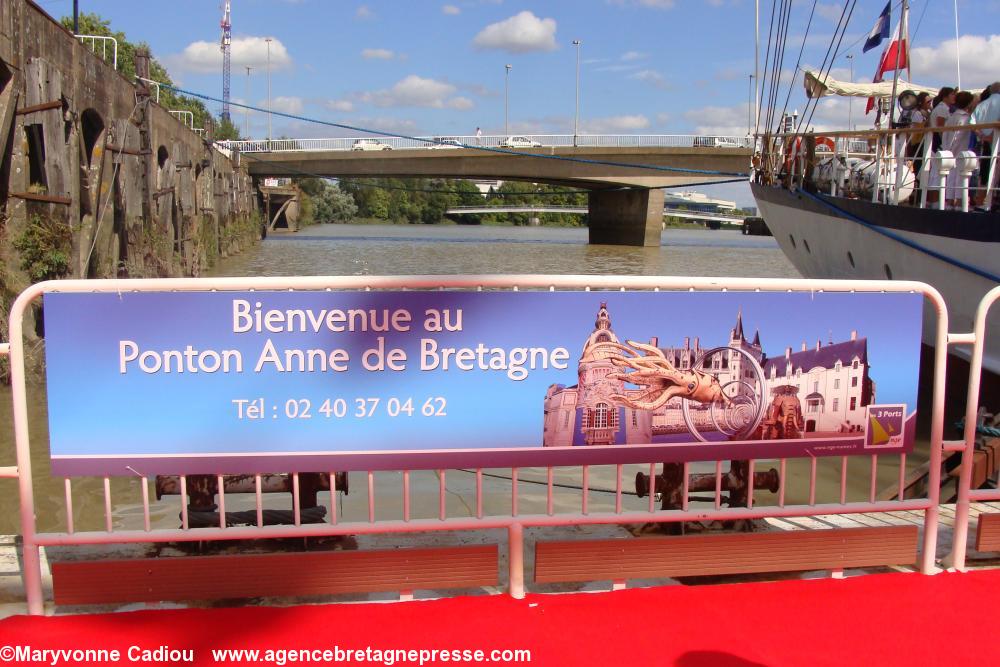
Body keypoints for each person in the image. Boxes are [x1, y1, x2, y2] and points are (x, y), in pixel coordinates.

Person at [943, 91, 976, 209]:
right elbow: (957, 136)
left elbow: (946, 136)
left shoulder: (952, 117)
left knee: (952, 176)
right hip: (960, 150)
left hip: (951, 151)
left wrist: (948, 149)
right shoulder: (965, 118)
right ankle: (957, 203)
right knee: (961, 176)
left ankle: (950, 202)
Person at [972, 82, 1000, 210]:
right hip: (997, 140)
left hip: (986, 142)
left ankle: (981, 202)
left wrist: (983, 136)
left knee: (984, 172)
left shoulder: (981, 105)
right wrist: (992, 135)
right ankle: (992, 201)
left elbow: (971, 123)